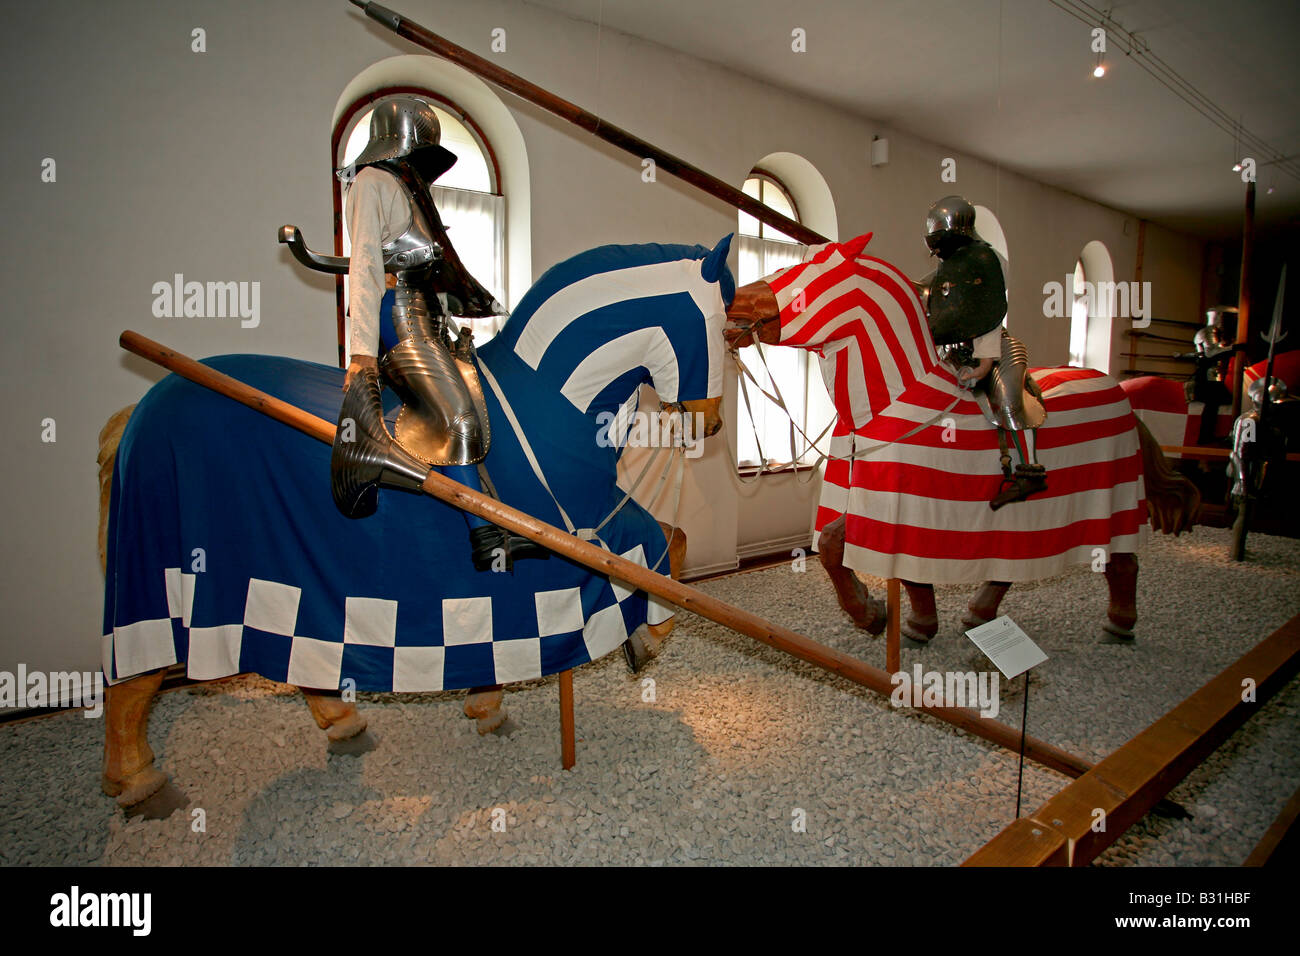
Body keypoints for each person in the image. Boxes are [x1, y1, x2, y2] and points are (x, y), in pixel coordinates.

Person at [334, 96, 546, 570]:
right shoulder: (370, 182)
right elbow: (366, 265)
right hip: (398, 316)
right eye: (420, 148)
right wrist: (363, 354)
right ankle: (485, 536)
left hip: (429, 317)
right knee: (457, 419)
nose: (422, 161)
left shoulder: (410, 191)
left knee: (485, 400)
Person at [913, 195, 1048, 509]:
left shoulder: (987, 261)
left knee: (1009, 398)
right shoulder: (941, 275)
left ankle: (1030, 471)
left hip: (993, 344)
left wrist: (985, 364)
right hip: (951, 350)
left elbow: (984, 313)